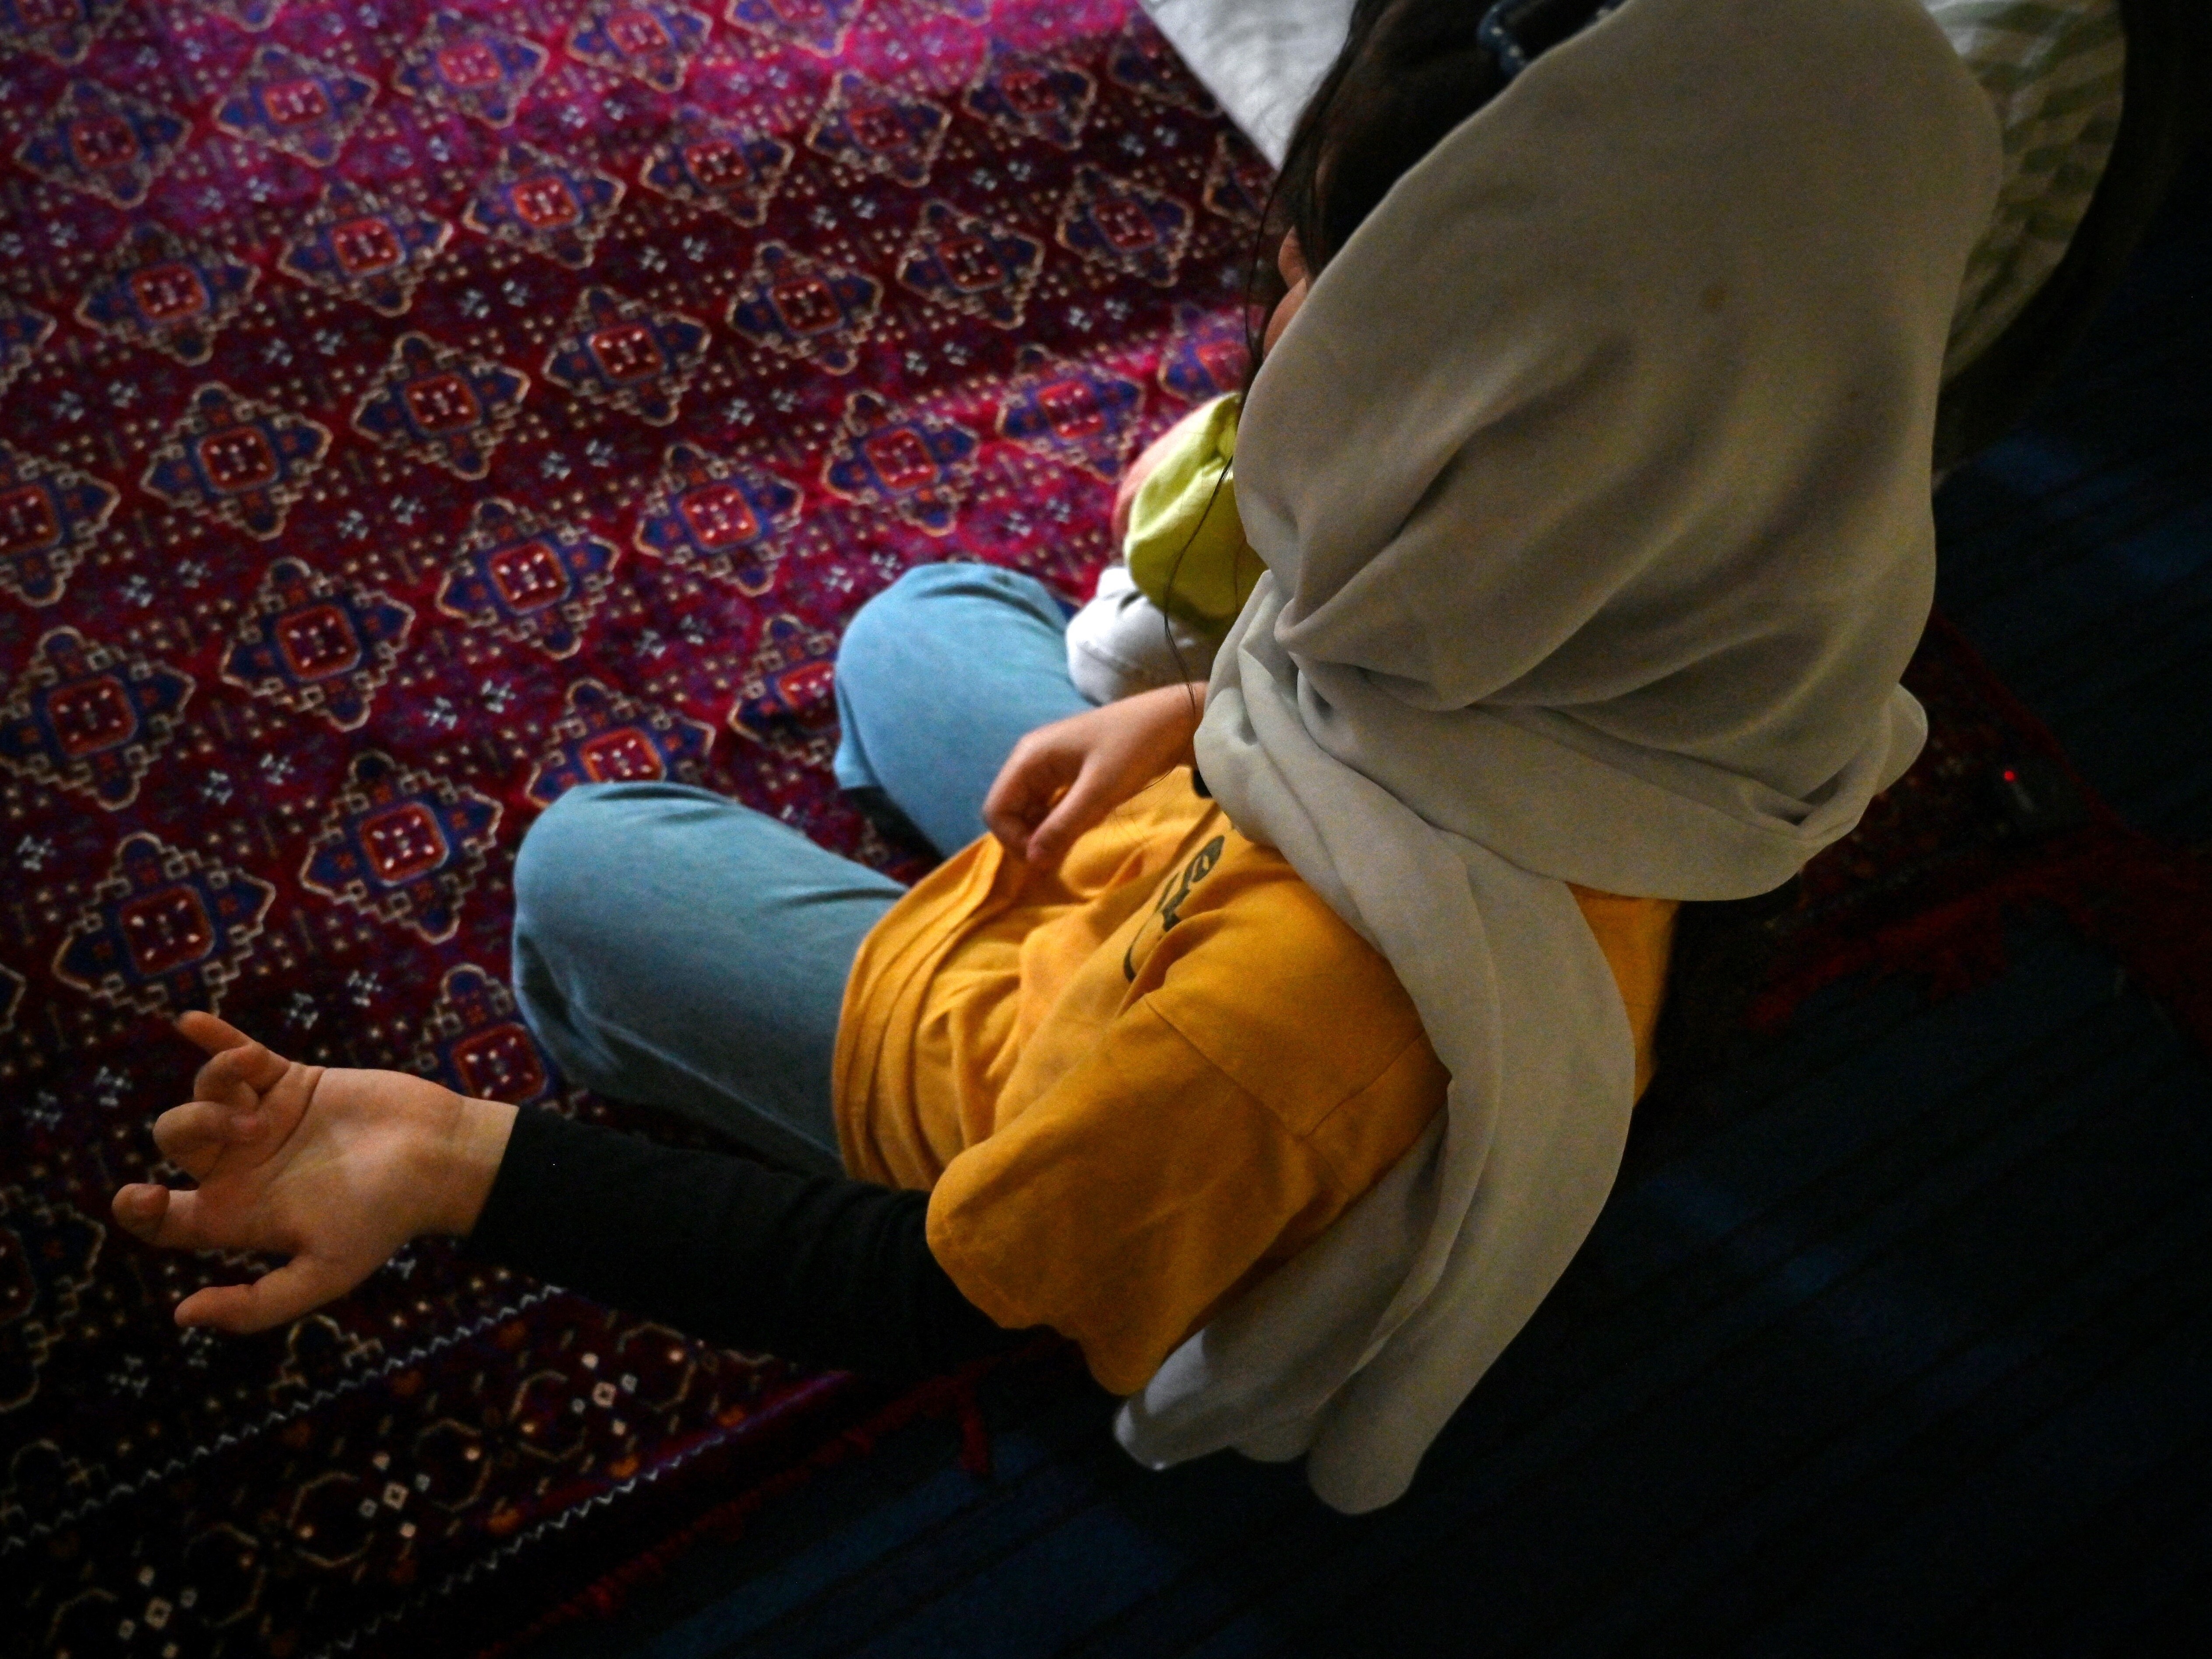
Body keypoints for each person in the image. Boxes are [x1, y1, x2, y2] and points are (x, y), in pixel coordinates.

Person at [112, 0, 2008, 1511]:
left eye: (1305, 290)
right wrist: (1195, 715)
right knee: (919, 625)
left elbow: (919, 1288)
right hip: (1215, 875)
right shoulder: (1690, 622)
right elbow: (1376, 753)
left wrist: (454, 1157)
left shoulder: (1268, 1038)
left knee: (583, 871)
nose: (1269, 323)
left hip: (1049, 1060)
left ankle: (649, 1008)